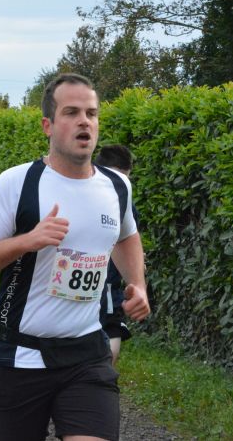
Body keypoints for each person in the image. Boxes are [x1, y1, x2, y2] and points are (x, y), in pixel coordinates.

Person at [0, 73, 150, 441]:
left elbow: (127, 236)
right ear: (48, 125)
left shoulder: (116, 185)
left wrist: (137, 284)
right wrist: (27, 241)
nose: (84, 122)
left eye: (91, 113)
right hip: (20, 355)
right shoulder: (18, 182)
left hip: (87, 354)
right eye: (72, 112)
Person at [95, 144, 140, 367]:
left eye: (125, 179)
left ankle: (102, 376)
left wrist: (134, 272)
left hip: (108, 284)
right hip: (94, 283)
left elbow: (129, 243)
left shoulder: (126, 206)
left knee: (110, 330)